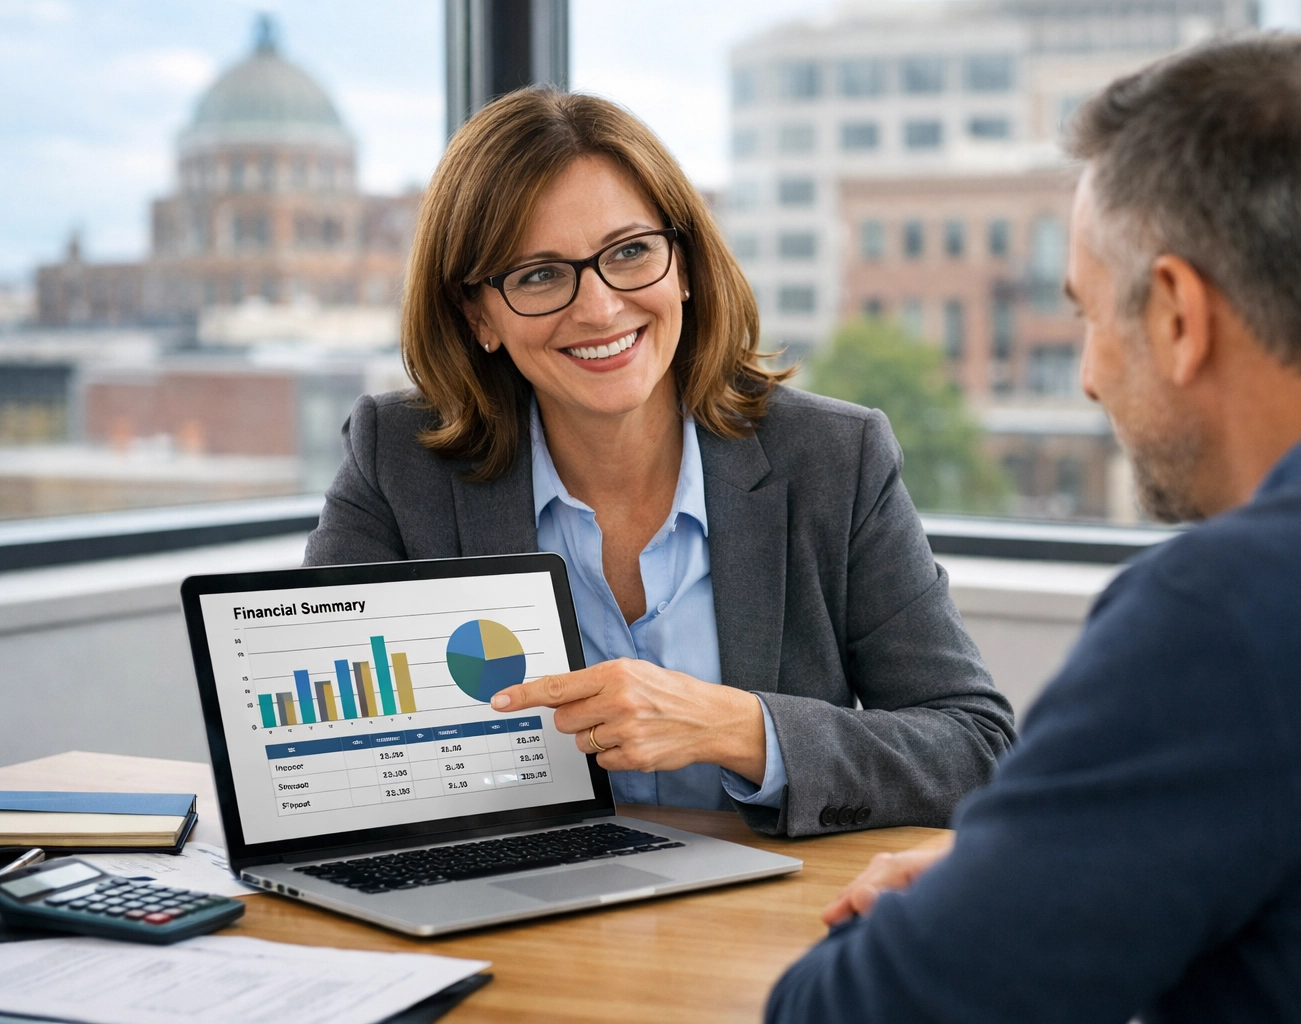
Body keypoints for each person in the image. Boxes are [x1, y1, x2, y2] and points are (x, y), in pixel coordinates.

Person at [768, 31, 1301, 1021]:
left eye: (1090, 315)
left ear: (1177, 314)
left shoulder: (1229, 614)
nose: (1088, 374)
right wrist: (1045, 866)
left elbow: (860, 1012)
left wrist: (977, 905)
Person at [304, 88, 1014, 836]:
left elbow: (977, 751)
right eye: (539, 274)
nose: (601, 309)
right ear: (479, 315)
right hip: (513, 911)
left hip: (761, 928)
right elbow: (309, 753)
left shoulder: (834, 460)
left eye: (630, 252)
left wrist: (739, 729)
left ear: (683, 267)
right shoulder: (398, 456)